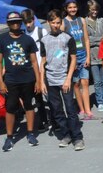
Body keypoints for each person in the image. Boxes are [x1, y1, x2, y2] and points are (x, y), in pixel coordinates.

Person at [0, 12, 42, 151]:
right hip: (11, 80)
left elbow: (34, 62)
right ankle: (9, 137)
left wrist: (38, 81)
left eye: (17, 21)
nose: (15, 24)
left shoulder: (28, 40)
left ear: (21, 23)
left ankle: (30, 133)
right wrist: (1, 82)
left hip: (28, 79)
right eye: (12, 21)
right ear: (8, 23)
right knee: (10, 108)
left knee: (29, 105)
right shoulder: (2, 39)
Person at [39, 9, 85, 151]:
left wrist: (68, 78)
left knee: (70, 108)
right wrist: (41, 81)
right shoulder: (44, 40)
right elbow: (43, 61)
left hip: (65, 78)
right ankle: (66, 135)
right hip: (50, 79)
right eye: (53, 22)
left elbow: (73, 59)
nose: (56, 25)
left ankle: (77, 137)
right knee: (56, 110)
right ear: (48, 23)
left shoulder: (67, 37)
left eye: (58, 22)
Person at [61, 0, 93, 120]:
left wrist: (88, 56)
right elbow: (62, 44)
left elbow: (86, 39)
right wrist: (68, 61)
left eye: (74, 7)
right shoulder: (64, 23)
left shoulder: (82, 20)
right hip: (72, 58)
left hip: (83, 55)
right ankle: (81, 109)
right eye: (70, 7)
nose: (73, 9)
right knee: (76, 84)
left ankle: (88, 110)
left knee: (85, 82)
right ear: (66, 9)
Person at [21, 9, 50, 132]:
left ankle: (54, 119)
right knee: (37, 97)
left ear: (33, 20)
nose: (28, 24)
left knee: (49, 95)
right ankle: (43, 120)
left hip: (43, 67)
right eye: (25, 22)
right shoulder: (23, 35)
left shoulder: (41, 31)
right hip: (31, 70)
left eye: (30, 21)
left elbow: (48, 48)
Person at [86, 0, 103, 113]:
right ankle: (100, 101)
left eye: (96, 9)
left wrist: (97, 40)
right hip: (92, 56)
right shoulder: (85, 22)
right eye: (92, 10)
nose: (94, 12)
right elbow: (87, 40)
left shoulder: (102, 21)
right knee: (97, 81)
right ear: (88, 10)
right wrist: (98, 40)